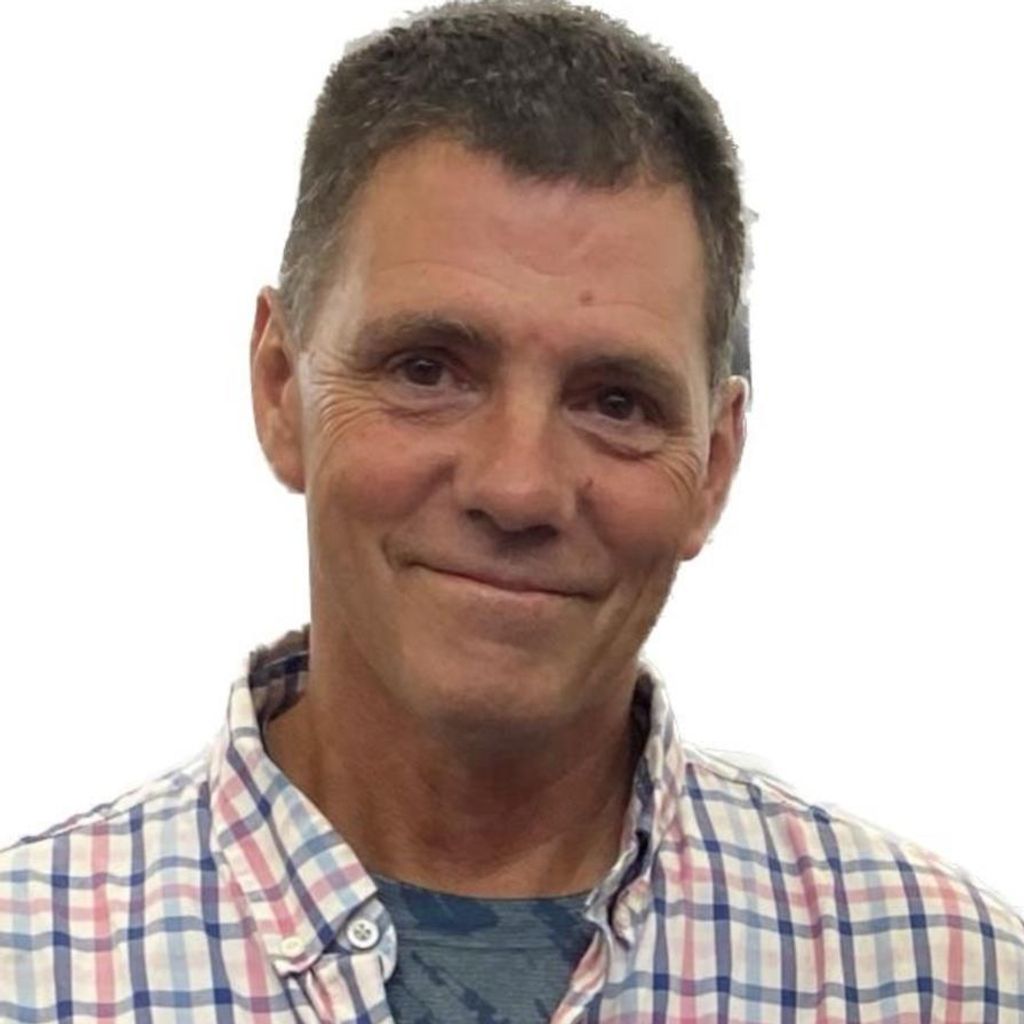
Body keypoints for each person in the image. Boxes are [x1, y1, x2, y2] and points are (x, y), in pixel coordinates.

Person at [1, 1, 1021, 1020]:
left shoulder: (945, 983)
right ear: (279, 388)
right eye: (427, 370)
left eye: (614, 401)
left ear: (714, 463)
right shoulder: (30, 972)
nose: (517, 487)